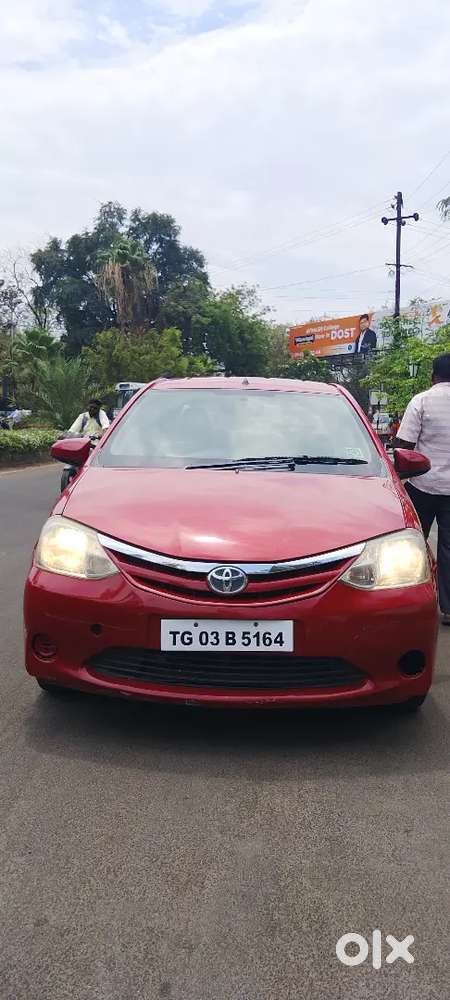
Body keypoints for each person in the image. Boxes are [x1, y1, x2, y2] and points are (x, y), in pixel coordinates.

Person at [396, 353, 450, 625]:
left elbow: (403, 444)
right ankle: (449, 609)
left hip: (423, 484)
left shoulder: (422, 401)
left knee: (413, 547)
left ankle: (410, 602)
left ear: (433, 376)